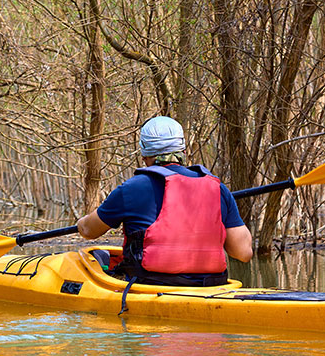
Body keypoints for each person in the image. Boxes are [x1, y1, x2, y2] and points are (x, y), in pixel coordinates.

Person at [77, 116, 252, 287]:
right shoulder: (217, 188)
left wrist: (80, 222)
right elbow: (243, 252)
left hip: (151, 285)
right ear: (183, 151)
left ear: (144, 154)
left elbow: (88, 230)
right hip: (210, 286)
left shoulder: (131, 188)